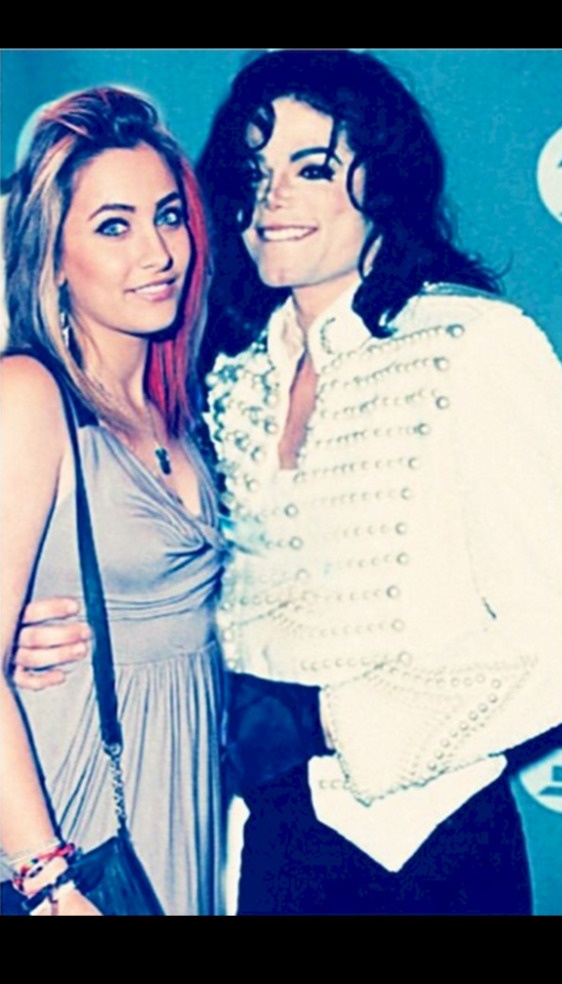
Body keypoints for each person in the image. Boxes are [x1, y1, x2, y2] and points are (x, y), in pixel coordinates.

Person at [11, 50, 562, 915]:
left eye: (312, 168)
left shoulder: (470, 347)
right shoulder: (231, 379)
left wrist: (329, 722)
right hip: (264, 845)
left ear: (382, 180)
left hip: (429, 845)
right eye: (256, 170)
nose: (273, 197)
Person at [1, 87, 226, 915]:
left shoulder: (181, 412)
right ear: (54, 256)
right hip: (77, 842)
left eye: (167, 217)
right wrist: (51, 883)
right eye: (112, 226)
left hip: (182, 813)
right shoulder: (29, 396)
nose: (157, 252)